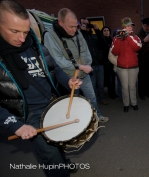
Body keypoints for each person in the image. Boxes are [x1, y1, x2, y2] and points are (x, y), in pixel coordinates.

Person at [0, 0, 82, 176]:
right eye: (14, 31)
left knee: (59, 143)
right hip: (29, 114)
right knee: (52, 158)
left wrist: (67, 81)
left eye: (25, 31)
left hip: (51, 103)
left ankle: (64, 161)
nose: (22, 39)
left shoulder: (34, 44)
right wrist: (14, 124)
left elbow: (54, 68)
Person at [43, 8, 109, 122]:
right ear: (60, 23)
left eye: (76, 26)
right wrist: (81, 67)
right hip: (69, 77)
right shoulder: (50, 36)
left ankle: (97, 116)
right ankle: (79, 123)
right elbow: (58, 60)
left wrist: (87, 64)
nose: (75, 30)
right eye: (71, 27)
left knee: (92, 98)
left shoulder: (77, 32)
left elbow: (86, 50)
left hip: (84, 74)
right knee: (74, 102)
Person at [110, 17, 142, 112]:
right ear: (123, 27)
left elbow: (137, 47)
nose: (130, 27)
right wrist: (120, 38)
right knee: (124, 87)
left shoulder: (135, 37)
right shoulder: (117, 38)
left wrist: (128, 37)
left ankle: (134, 103)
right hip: (122, 67)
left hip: (133, 67)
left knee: (132, 86)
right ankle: (126, 104)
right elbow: (115, 52)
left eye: (131, 26)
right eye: (128, 26)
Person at [80, 23, 109, 105]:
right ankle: (95, 101)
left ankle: (102, 98)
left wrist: (97, 30)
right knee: (92, 85)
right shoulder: (82, 37)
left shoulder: (94, 36)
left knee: (101, 84)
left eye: (88, 25)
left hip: (99, 63)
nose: (87, 27)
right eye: (84, 25)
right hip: (90, 65)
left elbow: (104, 44)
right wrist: (82, 31)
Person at [137, 17, 149, 100]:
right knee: (142, 78)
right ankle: (141, 94)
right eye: (146, 26)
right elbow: (136, 48)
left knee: (148, 77)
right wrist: (143, 41)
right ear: (142, 25)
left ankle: (147, 92)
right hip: (142, 60)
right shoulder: (138, 35)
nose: (148, 28)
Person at [101, 26, 117, 99]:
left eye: (108, 30)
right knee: (109, 79)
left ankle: (113, 92)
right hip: (106, 63)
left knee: (113, 79)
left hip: (112, 62)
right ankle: (111, 94)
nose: (106, 32)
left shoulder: (112, 40)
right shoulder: (102, 40)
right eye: (105, 30)